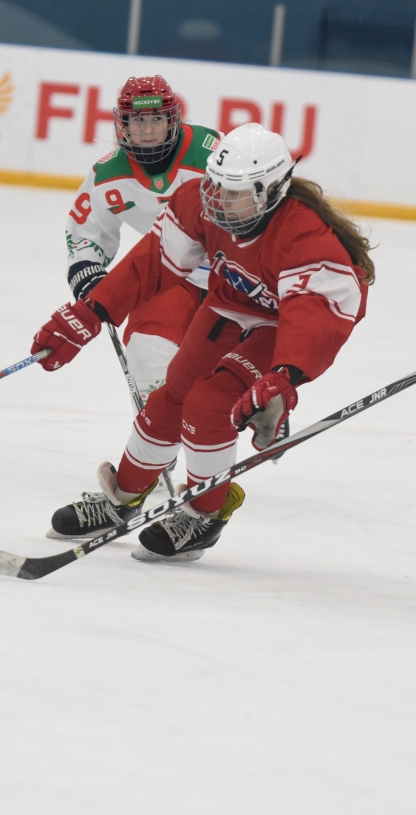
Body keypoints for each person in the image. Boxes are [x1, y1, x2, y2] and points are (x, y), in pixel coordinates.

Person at [31, 123, 376, 562]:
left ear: (271, 191)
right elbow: (152, 262)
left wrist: (283, 376)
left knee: (209, 403)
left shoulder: (306, 239)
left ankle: (204, 516)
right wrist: (89, 312)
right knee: (171, 397)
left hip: (283, 325)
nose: (218, 199)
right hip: (229, 305)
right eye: (216, 184)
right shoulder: (199, 202)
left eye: (235, 192)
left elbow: (314, 317)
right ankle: (122, 499)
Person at [65, 75, 220, 394]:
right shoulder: (107, 175)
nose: (147, 130)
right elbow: (88, 231)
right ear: (122, 125)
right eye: (138, 121)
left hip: (235, 276)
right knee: (146, 350)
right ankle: (160, 412)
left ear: (172, 121)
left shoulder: (213, 153)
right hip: (170, 275)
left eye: (156, 120)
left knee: (229, 366)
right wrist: (86, 269)